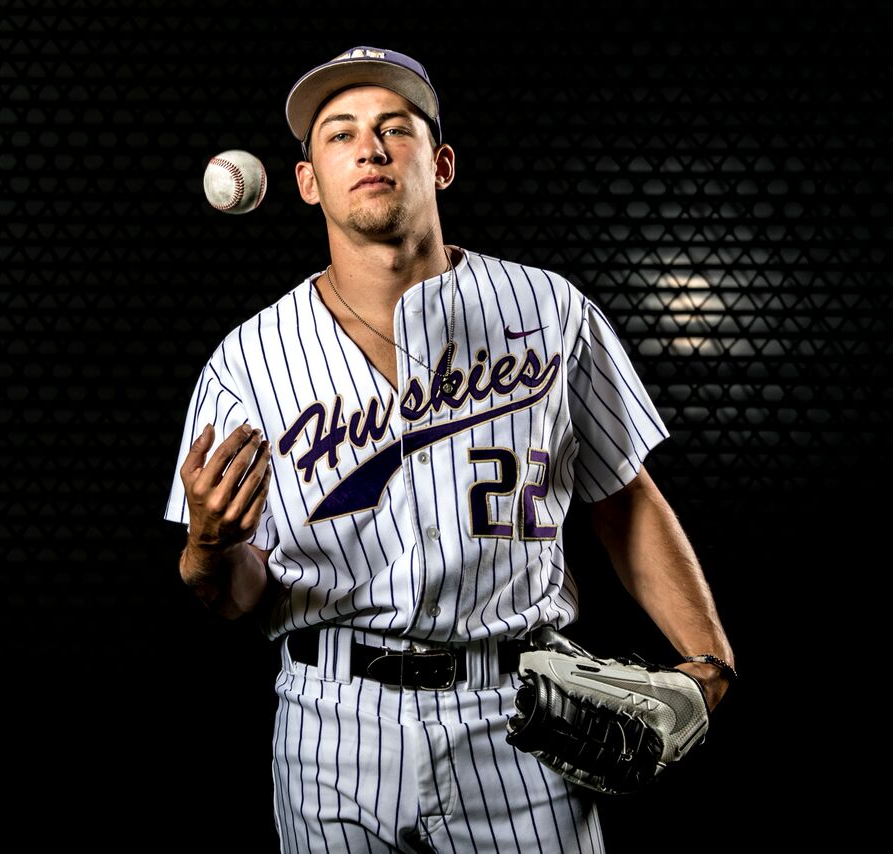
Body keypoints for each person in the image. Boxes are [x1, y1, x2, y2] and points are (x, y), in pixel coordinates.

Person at [163, 45, 735, 852]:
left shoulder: (549, 310)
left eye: (395, 128)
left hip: (521, 722)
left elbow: (625, 498)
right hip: (332, 725)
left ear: (441, 163)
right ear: (307, 181)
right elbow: (235, 593)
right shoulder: (246, 361)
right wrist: (208, 547)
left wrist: (709, 662)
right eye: (341, 133)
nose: (370, 148)